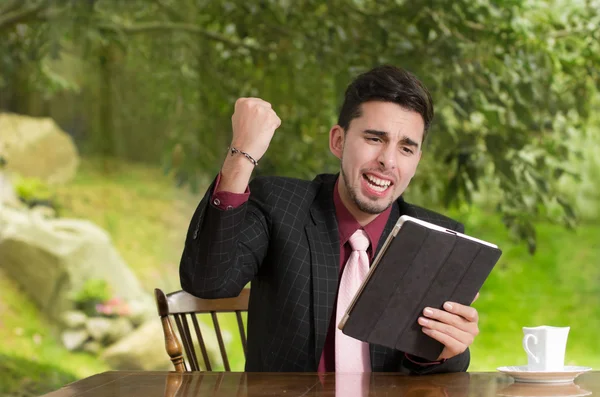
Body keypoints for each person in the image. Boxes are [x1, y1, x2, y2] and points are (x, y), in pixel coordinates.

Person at [179, 65, 480, 374]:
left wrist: (444, 351)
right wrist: (241, 155)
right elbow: (207, 281)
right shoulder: (278, 205)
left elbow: (436, 377)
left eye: (406, 148)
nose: (388, 161)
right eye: (375, 139)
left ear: (416, 161)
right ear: (338, 141)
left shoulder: (437, 239)